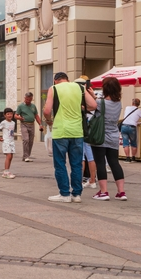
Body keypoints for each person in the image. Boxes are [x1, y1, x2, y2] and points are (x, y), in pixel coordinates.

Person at [43, 72, 97, 203]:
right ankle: (77, 195)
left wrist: (49, 120)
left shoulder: (54, 89)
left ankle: (64, 194)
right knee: (77, 164)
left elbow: (47, 110)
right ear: (68, 80)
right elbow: (93, 106)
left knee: (60, 164)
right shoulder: (79, 87)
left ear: (55, 81)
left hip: (61, 131)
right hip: (77, 131)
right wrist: (81, 108)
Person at [91, 77, 128, 201]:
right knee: (114, 163)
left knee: (100, 163)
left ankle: (104, 192)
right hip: (113, 136)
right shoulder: (119, 104)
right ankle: (121, 192)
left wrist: (91, 95)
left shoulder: (101, 103)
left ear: (105, 88)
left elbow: (93, 105)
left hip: (100, 137)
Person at [16, 92, 42, 162]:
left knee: (30, 141)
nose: (28, 101)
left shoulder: (33, 106)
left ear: (31, 99)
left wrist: (40, 124)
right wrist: (20, 118)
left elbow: (36, 115)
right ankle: (26, 156)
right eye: (27, 99)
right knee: (26, 140)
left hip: (32, 124)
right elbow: (15, 115)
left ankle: (26, 156)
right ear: (25, 98)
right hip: (24, 124)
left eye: (30, 100)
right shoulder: (20, 106)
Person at [0, 108, 17, 179]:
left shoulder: (13, 123)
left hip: (12, 142)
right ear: (4, 115)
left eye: (11, 114)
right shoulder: (3, 122)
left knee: (11, 156)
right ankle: (6, 172)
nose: (10, 115)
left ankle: (7, 171)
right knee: (8, 156)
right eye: (8, 114)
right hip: (6, 142)